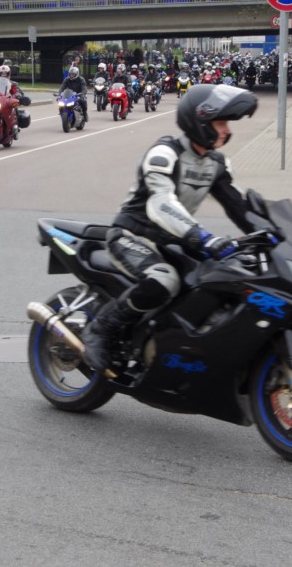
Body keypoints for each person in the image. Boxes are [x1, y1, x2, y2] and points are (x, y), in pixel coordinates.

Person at [80, 84, 260, 372]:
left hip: (173, 239)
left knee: (224, 277)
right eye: (221, 123)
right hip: (132, 234)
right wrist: (203, 237)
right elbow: (161, 203)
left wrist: (278, 234)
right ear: (200, 122)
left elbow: (239, 207)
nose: (227, 130)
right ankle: (101, 329)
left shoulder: (215, 162)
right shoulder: (165, 153)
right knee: (165, 281)